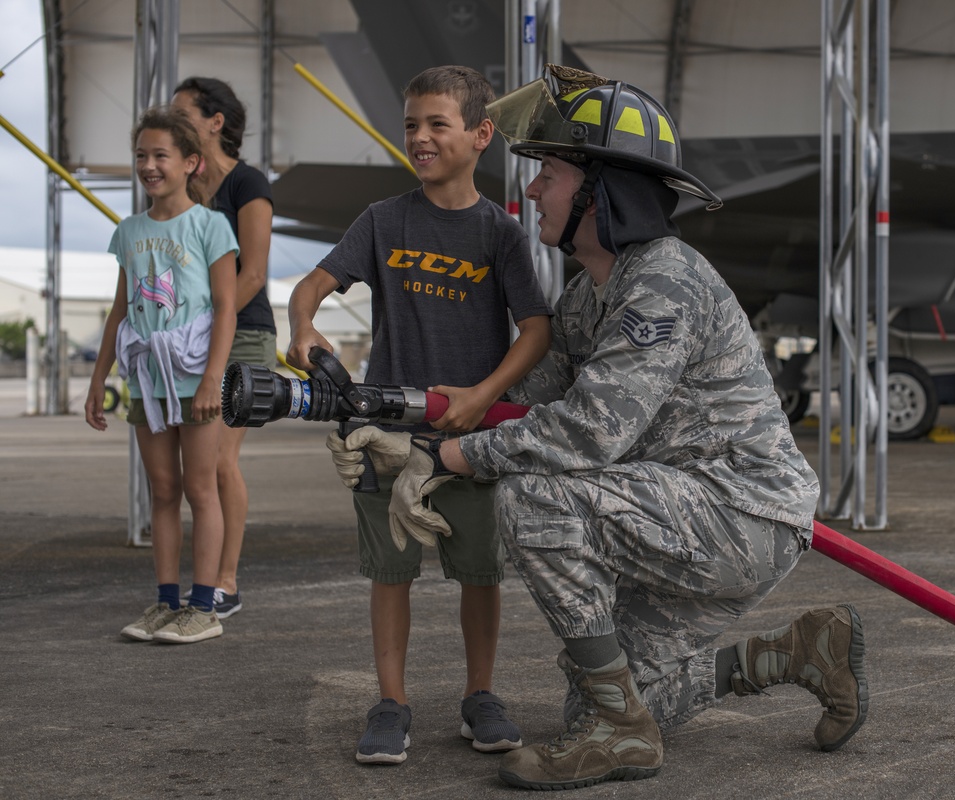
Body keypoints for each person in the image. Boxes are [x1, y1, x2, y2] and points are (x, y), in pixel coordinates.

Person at [376, 65, 869, 790]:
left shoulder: (662, 280)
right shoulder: (587, 297)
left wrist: (453, 457)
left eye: (548, 173)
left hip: (741, 510)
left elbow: (585, 434)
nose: (534, 190)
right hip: (683, 508)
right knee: (607, 691)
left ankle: (619, 731)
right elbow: (532, 407)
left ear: (602, 190)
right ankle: (799, 653)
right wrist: (416, 434)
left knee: (537, 496)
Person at [286, 65, 553, 765]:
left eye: (438, 123)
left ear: (481, 135)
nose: (422, 137)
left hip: (474, 438)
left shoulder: (501, 234)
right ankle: (391, 703)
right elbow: (314, 283)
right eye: (412, 124)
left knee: (480, 573)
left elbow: (535, 329)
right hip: (388, 435)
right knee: (391, 573)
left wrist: (481, 397)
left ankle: (482, 696)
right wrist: (302, 324)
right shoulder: (382, 220)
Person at [85, 107, 238, 644]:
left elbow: (225, 308)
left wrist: (212, 379)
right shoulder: (128, 231)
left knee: (202, 488)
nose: (149, 166)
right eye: (141, 156)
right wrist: (100, 378)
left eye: (161, 156)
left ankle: (205, 606)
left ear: (191, 163)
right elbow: (119, 310)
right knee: (164, 490)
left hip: (194, 375)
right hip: (146, 378)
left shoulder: (210, 225)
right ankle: (165, 602)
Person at [172, 76, 277, 619]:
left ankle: (225, 583)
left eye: (181, 112)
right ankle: (202, 582)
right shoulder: (183, 191)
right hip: (194, 338)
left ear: (216, 122)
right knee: (193, 468)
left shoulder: (248, 183)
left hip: (245, 333)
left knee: (218, 463)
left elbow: (254, 272)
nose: (172, 121)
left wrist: (210, 326)